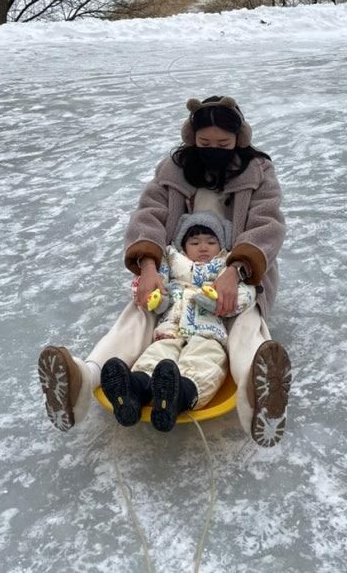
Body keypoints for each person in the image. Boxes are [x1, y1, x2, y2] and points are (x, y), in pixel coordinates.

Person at [38, 95, 292, 448]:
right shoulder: (173, 169)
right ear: (192, 138)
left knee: (243, 320)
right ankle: (86, 377)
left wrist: (237, 270)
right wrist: (148, 267)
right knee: (139, 314)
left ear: (240, 139)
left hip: (240, 266)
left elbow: (268, 222)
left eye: (223, 143)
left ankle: (257, 398)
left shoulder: (257, 171)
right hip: (175, 266)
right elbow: (150, 214)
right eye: (205, 143)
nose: (214, 149)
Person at [100, 213, 256, 432]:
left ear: (220, 245)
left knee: (204, 361)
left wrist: (219, 302)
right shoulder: (171, 260)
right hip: (169, 328)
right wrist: (157, 299)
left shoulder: (224, 265)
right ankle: (133, 391)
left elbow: (246, 294)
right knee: (156, 356)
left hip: (207, 330)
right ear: (183, 245)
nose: (203, 247)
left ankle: (181, 394)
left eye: (211, 242)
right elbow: (145, 285)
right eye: (195, 242)